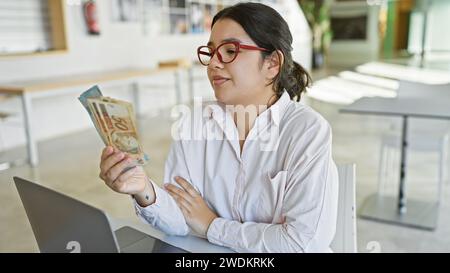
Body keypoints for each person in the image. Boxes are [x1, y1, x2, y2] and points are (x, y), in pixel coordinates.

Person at [99, 2, 338, 253]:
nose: (213, 63)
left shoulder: (306, 131)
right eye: (211, 52)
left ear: (272, 64)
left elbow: (303, 243)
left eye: (230, 51)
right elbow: (182, 219)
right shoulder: (196, 123)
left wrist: (212, 225)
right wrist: (143, 189)